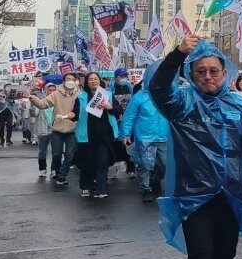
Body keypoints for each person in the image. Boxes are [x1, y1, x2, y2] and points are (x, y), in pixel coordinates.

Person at [149, 34, 242, 259]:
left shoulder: (240, 105)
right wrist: (177, 54)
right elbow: (157, 88)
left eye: (214, 71)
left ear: (225, 73)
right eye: (201, 72)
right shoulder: (181, 104)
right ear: (192, 75)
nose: (208, 76)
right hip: (196, 199)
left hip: (232, 198)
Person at [121, 72, 171, 203]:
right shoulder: (139, 98)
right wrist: (125, 134)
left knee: (164, 165)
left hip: (163, 136)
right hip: (144, 136)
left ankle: (155, 180)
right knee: (145, 165)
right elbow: (129, 116)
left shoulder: (165, 95)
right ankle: (145, 188)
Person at [75, 71, 121, 200]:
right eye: (90, 79)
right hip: (87, 135)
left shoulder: (107, 95)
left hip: (104, 135)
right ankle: (86, 186)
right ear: (86, 82)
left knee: (102, 162)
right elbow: (75, 113)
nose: (93, 81)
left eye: (95, 79)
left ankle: (101, 189)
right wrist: (72, 115)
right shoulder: (81, 97)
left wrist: (110, 107)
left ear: (99, 81)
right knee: (87, 163)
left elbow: (119, 111)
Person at [30, 72, 82, 185]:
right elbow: (43, 104)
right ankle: (57, 172)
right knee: (57, 153)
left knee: (69, 154)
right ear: (64, 81)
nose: (70, 81)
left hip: (72, 129)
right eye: (68, 79)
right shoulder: (56, 94)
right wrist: (33, 98)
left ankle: (62, 175)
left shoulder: (79, 94)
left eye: (73, 79)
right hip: (57, 129)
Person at [32, 83, 57, 176]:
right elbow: (33, 114)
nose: (52, 92)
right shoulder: (41, 101)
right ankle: (42, 169)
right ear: (45, 91)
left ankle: (54, 169)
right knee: (42, 150)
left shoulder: (58, 101)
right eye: (49, 90)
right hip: (44, 129)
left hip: (56, 129)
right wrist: (32, 103)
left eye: (54, 90)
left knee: (56, 150)